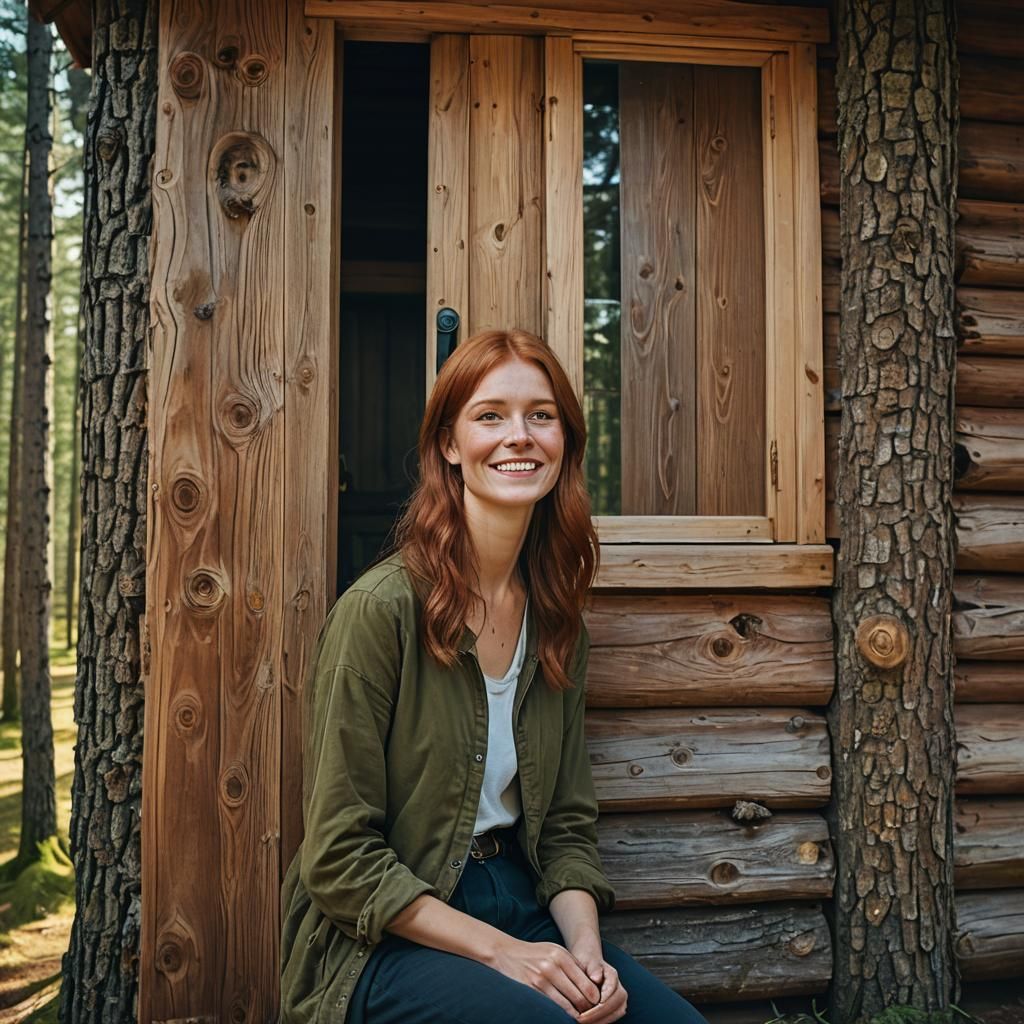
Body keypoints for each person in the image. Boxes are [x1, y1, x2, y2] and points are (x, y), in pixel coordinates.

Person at [279, 329, 708, 1024]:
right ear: (449, 444)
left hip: (521, 901)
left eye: (541, 416)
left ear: (564, 440)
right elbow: (338, 856)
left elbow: (566, 829)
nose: (520, 436)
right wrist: (504, 956)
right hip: (385, 936)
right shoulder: (379, 612)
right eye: (490, 416)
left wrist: (588, 956)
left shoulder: (556, 623)